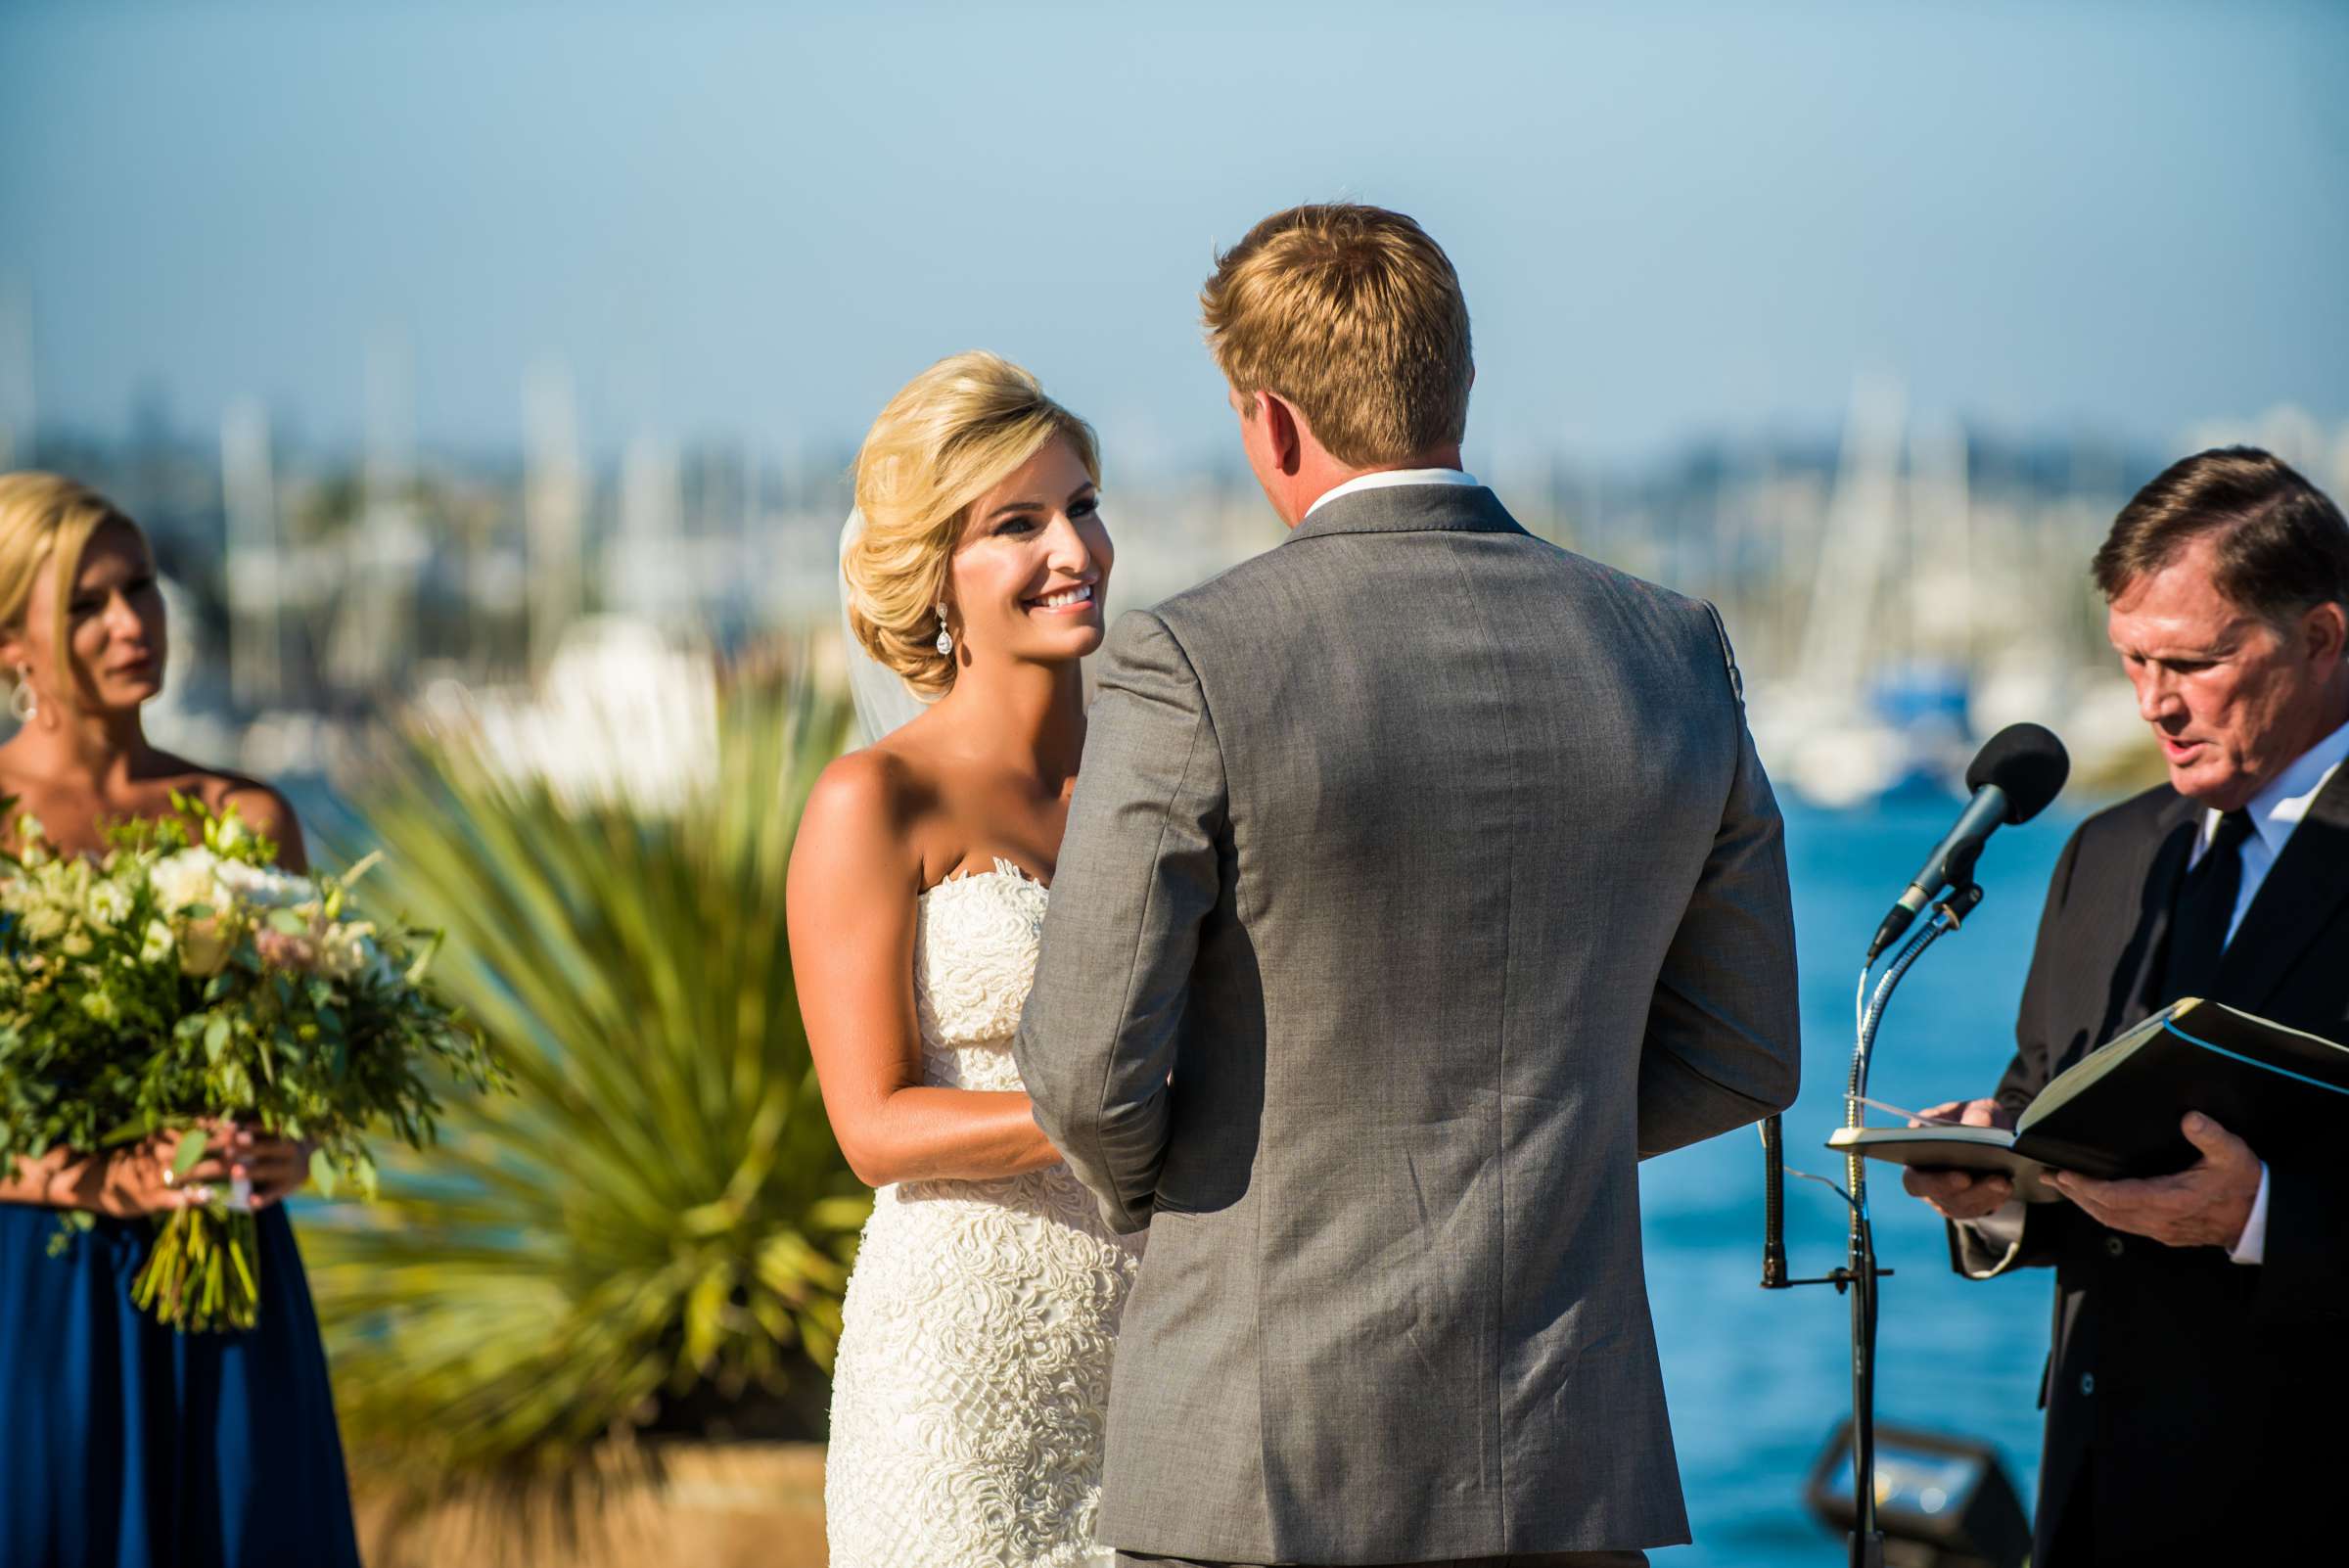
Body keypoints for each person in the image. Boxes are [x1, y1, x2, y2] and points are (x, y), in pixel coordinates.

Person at [1012, 203, 1804, 1568]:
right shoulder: (1673, 651)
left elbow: (1088, 1073)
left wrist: (1213, 1201)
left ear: (1269, 420)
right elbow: (1744, 1050)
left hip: (1258, 1461)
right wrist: (1530, 1156)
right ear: (1462, 384)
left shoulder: (1189, 661)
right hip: (1564, 1462)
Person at [1904, 446, 2349, 1565]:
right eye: (2131, 662)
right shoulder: (2103, 853)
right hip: (2100, 1494)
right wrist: (1988, 1188)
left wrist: (2261, 1221)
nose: (2154, 705)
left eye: (2192, 663)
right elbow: (2051, 1126)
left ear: (2323, 637)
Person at [788, 351, 1141, 1567]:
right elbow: (873, 1126)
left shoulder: (1166, 781)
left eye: (1083, 506)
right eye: (1018, 524)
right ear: (938, 572)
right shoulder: (871, 801)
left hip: (1163, 1361)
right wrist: (1107, 1115)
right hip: (956, 1385)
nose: (1073, 550)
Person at [0, 473, 361, 1567]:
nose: (130, 622)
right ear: (11, 641)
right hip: (40, 1292)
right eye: (85, 602)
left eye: (142, 587)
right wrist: (92, 1179)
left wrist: (290, 1146)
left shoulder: (250, 818)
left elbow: (306, 1071)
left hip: (232, 1286)